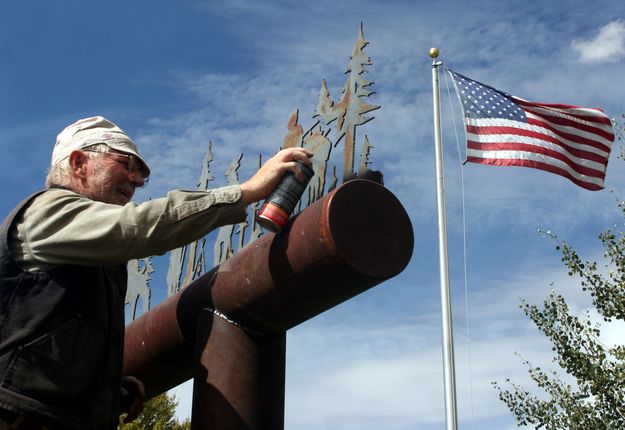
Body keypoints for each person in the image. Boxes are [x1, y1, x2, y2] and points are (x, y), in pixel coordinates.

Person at [0, 116, 312, 430]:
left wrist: (106, 387)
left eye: (141, 176)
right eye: (126, 164)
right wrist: (245, 191)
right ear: (79, 162)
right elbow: (137, 226)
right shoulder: (45, 213)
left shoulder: (91, 253)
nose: (136, 181)